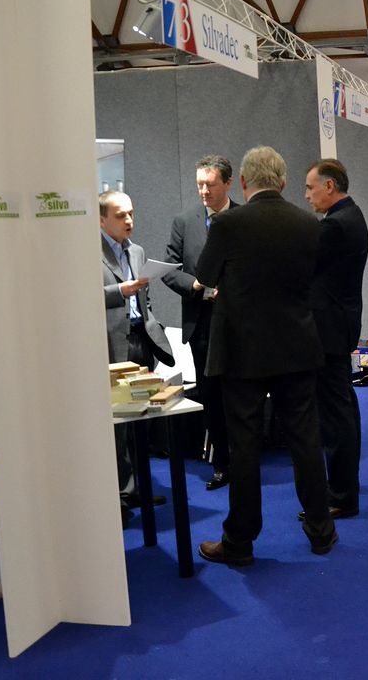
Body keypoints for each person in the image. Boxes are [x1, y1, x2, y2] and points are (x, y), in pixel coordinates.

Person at [195, 146, 336, 566]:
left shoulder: (227, 223)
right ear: (284, 182)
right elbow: (312, 278)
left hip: (243, 353)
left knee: (244, 448)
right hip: (297, 347)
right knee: (305, 441)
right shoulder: (308, 223)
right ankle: (321, 530)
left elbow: (204, 276)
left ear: (242, 182)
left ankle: (239, 542)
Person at [162, 155, 240, 492]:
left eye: (210, 184)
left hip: (240, 323)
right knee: (211, 396)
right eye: (199, 185)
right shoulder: (184, 222)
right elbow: (169, 270)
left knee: (241, 395)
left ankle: (245, 459)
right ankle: (222, 464)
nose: (204, 191)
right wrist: (195, 286)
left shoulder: (243, 219)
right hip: (202, 323)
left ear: (228, 183)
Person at [100, 190, 174, 525]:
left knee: (142, 419)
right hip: (110, 344)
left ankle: (137, 488)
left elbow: (145, 298)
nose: (128, 220)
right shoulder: (88, 253)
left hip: (140, 341)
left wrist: (151, 323)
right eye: (120, 215)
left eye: (131, 213)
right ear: (101, 219)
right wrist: (120, 291)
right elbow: (79, 296)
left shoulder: (138, 250)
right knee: (116, 425)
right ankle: (117, 493)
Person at [302, 158, 368, 519]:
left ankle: (342, 495)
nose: (306, 195)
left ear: (329, 186)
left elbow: (301, 265)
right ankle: (345, 486)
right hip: (339, 325)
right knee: (343, 407)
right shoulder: (350, 215)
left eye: (310, 187)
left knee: (334, 415)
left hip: (328, 329)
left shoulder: (336, 225)